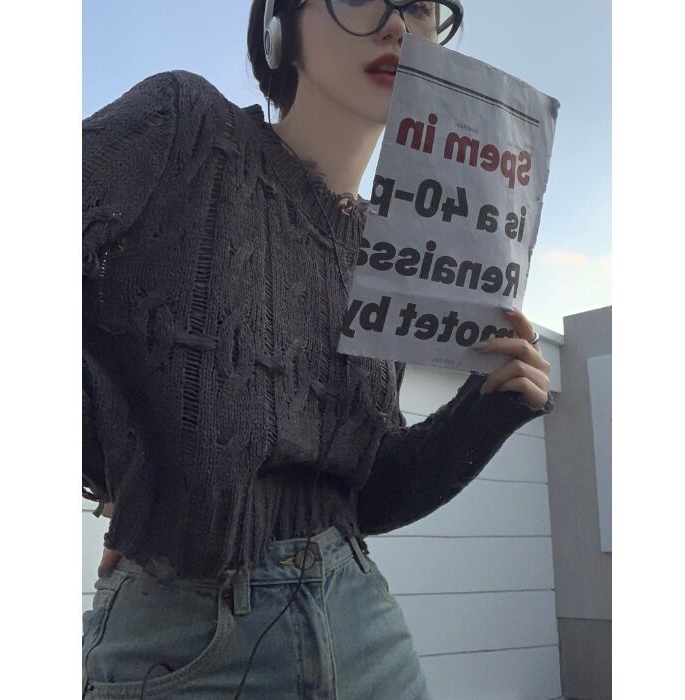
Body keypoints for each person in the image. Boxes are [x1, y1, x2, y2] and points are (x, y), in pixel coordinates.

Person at [82, 1, 554, 698]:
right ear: (280, 27)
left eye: (421, 8)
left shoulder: (397, 254)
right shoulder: (184, 122)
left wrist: (489, 409)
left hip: (363, 622)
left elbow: (363, 491)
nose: (398, 26)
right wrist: (122, 464)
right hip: (185, 636)